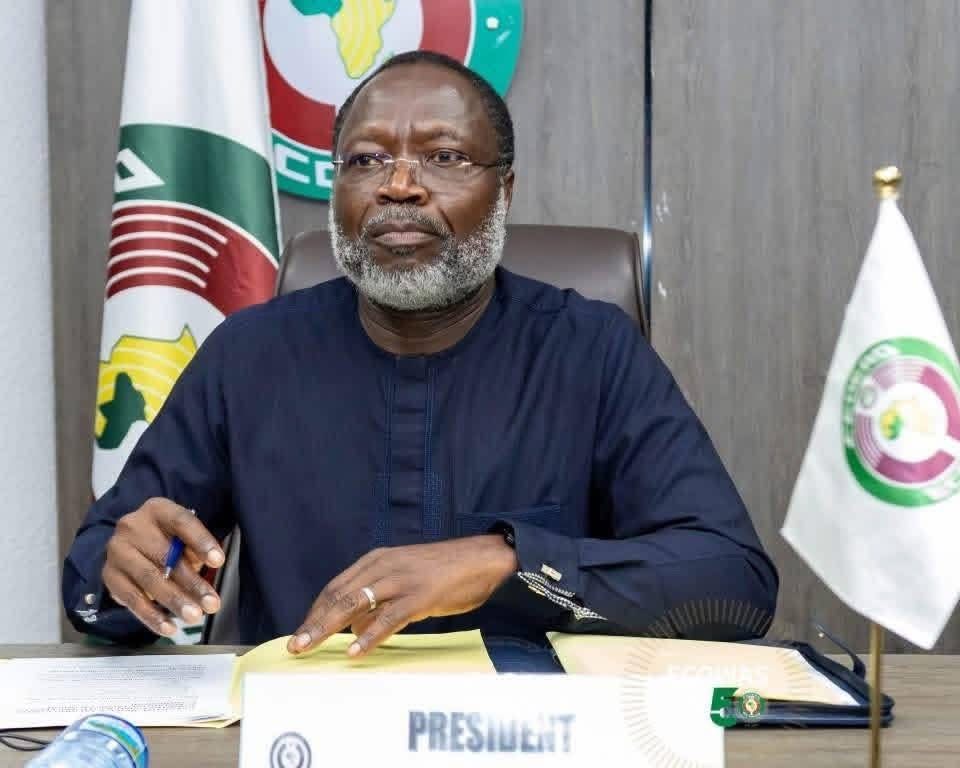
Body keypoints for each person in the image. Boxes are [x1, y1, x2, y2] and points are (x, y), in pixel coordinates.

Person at [63, 51, 778, 655]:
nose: (399, 186)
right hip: (306, 735)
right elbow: (99, 582)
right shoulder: (248, 355)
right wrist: (123, 568)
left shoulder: (591, 350)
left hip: (524, 739)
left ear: (504, 191)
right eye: (367, 159)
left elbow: (734, 582)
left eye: (444, 157)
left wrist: (510, 563)